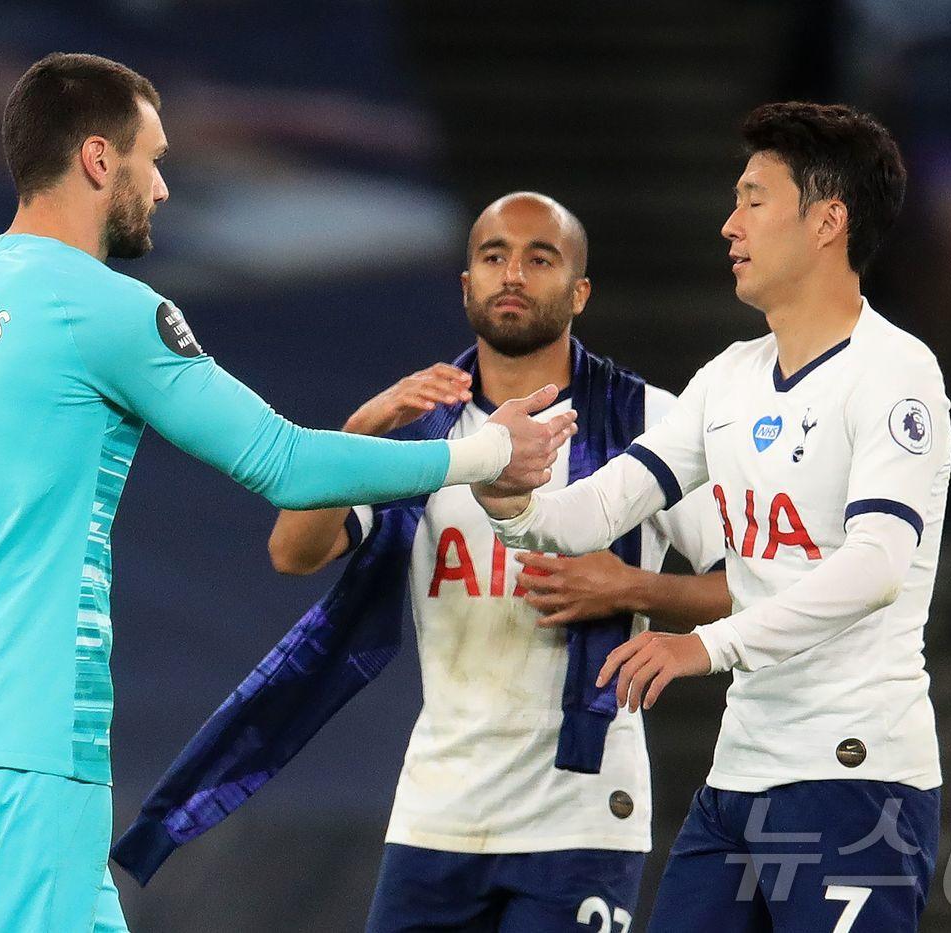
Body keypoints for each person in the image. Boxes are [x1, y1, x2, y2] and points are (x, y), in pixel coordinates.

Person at [0, 53, 572, 933]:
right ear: (98, 159)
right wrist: (482, 456)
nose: (163, 187)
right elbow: (282, 463)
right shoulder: (104, 310)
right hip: (28, 737)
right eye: (152, 159)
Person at [474, 103, 951, 932]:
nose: (729, 224)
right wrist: (511, 498)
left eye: (754, 199)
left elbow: (876, 565)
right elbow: (604, 502)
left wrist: (708, 645)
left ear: (828, 221)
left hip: (854, 776)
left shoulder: (896, 373)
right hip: (738, 781)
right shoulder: (730, 377)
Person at [266, 192, 730, 933]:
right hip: (437, 812)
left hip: (580, 813)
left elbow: (752, 586)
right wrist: (359, 428)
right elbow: (293, 550)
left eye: (539, 258)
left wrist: (630, 585)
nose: (513, 273)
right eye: (493, 256)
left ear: (579, 291)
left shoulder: (650, 419)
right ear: (466, 285)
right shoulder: (422, 428)